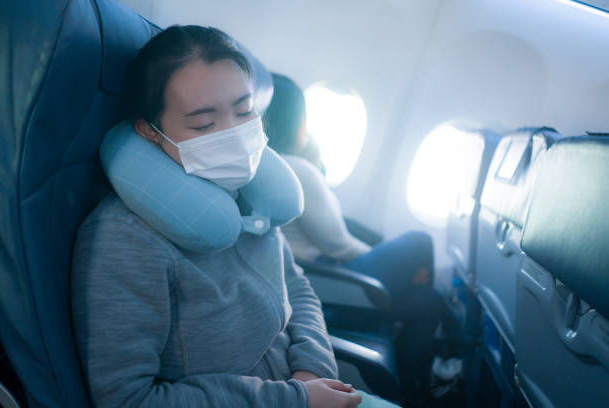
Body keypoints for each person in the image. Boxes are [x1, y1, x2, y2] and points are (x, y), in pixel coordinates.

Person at [70, 25, 365, 408]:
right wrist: (293, 399)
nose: (234, 136)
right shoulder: (123, 239)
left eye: (245, 111)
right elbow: (128, 400)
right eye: (204, 125)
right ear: (150, 132)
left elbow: (297, 287)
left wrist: (311, 370)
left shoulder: (247, 194)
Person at [262, 74, 450, 404]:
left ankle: (413, 391)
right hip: (331, 280)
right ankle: (448, 359)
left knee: (429, 301)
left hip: (323, 277)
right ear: (296, 120)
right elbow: (339, 245)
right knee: (419, 240)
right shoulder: (296, 168)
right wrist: (397, 268)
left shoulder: (275, 164)